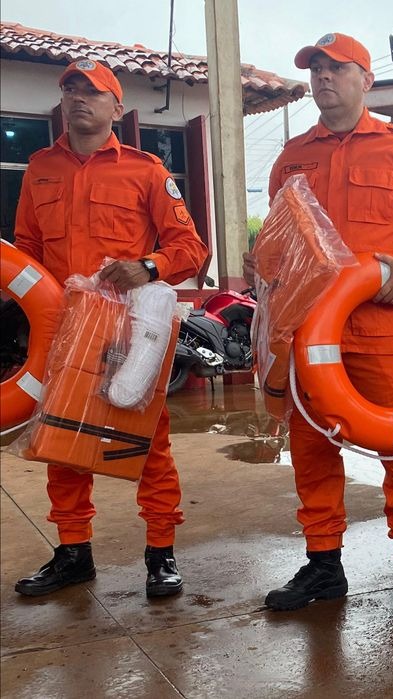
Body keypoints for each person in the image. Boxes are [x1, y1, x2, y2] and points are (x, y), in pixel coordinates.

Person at [242, 33, 393, 624]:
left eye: (337, 69)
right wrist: (259, 261)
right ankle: (324, 565)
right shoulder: (293, 157)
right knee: (312, 452)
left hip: (382, 332)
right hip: (306, 334)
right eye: (316, 70)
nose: (323, 78)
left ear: (366, 80)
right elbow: (279, 240)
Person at [12, 60, 208, 598]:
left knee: (147, 442)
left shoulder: (146, 171)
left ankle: (161, 555)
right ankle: (74, 553)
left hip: (128, 331)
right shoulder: (38, 169)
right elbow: (26, 251)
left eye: (93, 92)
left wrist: (147, 267)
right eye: (71, 90)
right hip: (61, 327)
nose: (80, 99)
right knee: (62, 440)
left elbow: (191, 248)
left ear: (116, 108)